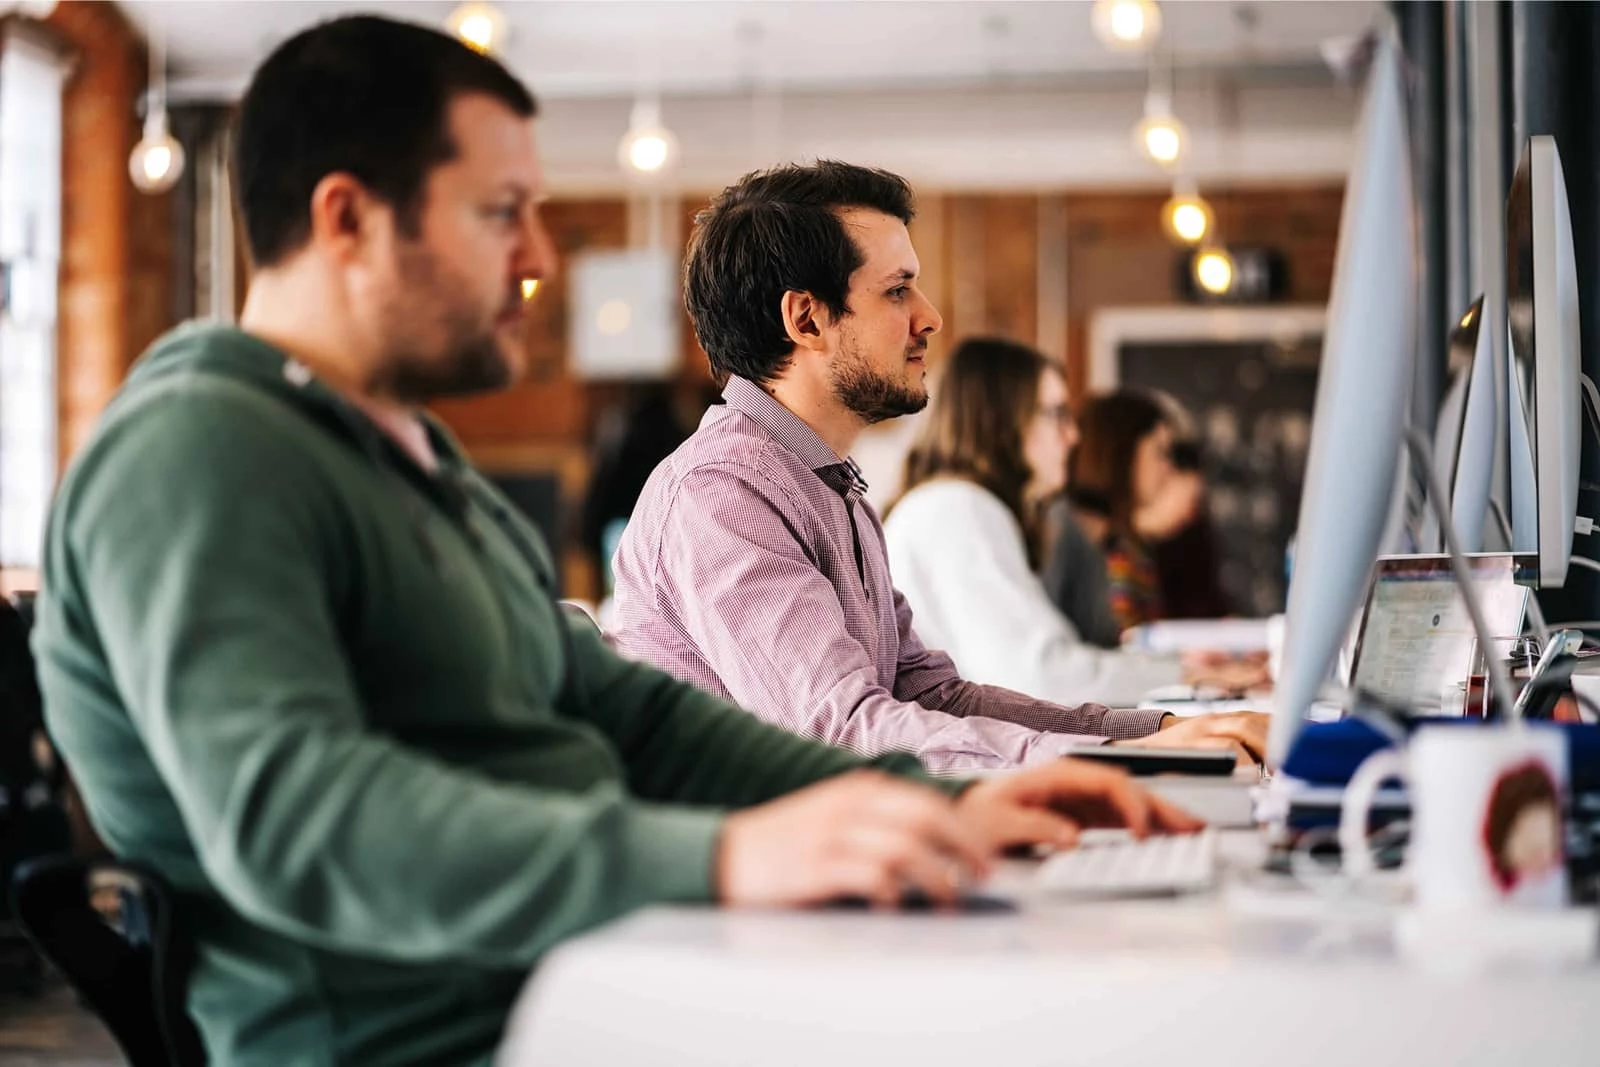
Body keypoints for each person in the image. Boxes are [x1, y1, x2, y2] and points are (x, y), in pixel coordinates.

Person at [29, 18, 1201, 1066]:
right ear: (348, 219)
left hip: (597, 973)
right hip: (448, 1029)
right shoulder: (202, 452)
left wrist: (917, 803)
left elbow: (627, 711)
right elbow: (303, 815)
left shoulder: (417, 464)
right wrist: (721, 863)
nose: (540, 259)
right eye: (503, 214)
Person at [609, 162, 1268, 771]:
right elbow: (843, 733)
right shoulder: (721, 494)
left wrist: (1151, 733)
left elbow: (932, 694)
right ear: (807, 318)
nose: (931, 316)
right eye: (898, 290)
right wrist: (1127, 754)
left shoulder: (828, 484)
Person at [881, 337, 1265, 709]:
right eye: (1056, 414)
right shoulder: (957, 509)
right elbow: (1041, 674)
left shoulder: (958, 507)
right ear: (1001, 422)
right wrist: (1188, 676)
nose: (1073, 435)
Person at [1053, 389, 1177, 634]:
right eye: (1159, 452)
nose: (1168, 468)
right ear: (1122, 452)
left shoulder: (1128, 545)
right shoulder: (1058, 534)